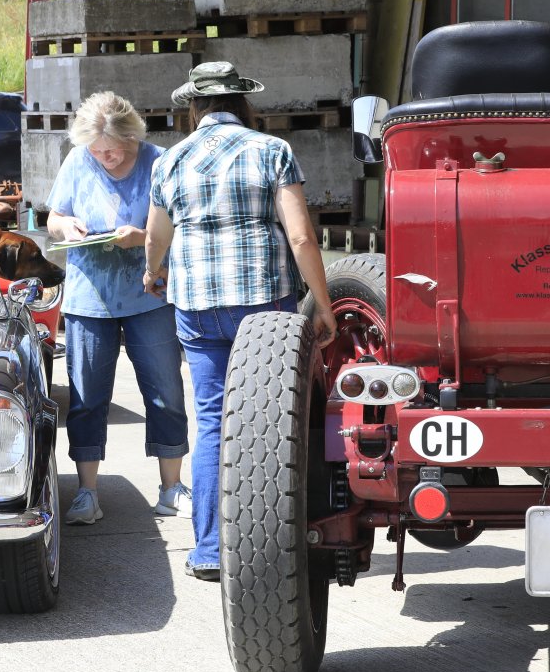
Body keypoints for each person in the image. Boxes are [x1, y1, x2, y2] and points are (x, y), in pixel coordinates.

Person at [144, 62, 335, 581]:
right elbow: (301, 237)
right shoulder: (272, 151)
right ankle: (272, 548)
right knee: (272, 422)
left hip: (197, 308)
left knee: (212, 421)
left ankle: (209, 550)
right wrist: (322, 303)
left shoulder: (171, 159)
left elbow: (157, 235)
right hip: (263, 305)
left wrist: (153, 272)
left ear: (195, 107)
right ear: (243, 103)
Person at [47, 91, 190, 526]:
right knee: (87, 397)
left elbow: (181, 224)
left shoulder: (158, 161)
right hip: (90, 297)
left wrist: (142, 238)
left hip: (150, 293)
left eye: (111, 150)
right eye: (96, 151)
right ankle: (87, 492)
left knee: (165, 392)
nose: (104, 157)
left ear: (131, 137)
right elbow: (53, 216)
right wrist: (66, 226)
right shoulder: (78, 160)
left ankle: (171, 487)